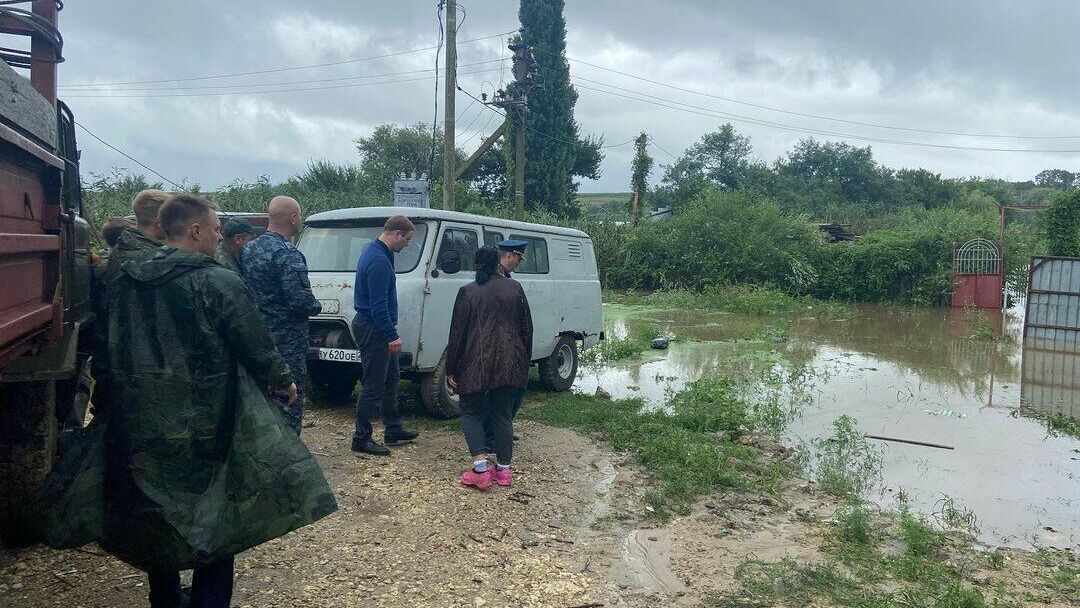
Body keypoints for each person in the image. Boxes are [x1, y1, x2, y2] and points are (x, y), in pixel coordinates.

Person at [99, 193, 337, 608]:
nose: (219, 236)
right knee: (220, 509)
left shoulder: (123, 277)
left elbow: (106, 342)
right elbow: (255, 344)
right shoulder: (216, 279)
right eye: (214, 229)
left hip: (145, 413)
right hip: (208, 416)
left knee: (158, 505)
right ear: (194, 231)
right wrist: (285, 383)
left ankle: (167, 598)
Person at [447, 246, 533, 490]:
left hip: (475, 363)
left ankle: (481, 471)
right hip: (509, 363)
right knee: (502, 414)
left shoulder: (468, 292)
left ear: (476, 265)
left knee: (471, 412)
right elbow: (527, 328)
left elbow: (457, 336)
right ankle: (504, 472)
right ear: (498, 263)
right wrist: (523, 361)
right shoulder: (514, 288)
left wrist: (451, 369)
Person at [242, 196, 322, 433]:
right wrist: (317, 306)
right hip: (286, 342)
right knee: (289, 400)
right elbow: (300, 301)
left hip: (255, 339)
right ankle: (288, 457)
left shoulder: (248, 250)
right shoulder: (287, 254)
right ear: (294, 218)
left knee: (261, 403)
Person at [351, 215, 420, 455]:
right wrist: (391, 335)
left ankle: (393, 428)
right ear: (397, 234)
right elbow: (378, 305)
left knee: (391, 378)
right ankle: (361, 437)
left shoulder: (377, 251)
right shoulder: (378, 260)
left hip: (377, 325)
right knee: (373, 384)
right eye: (408, 239)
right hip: (374, 327)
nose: (408, 244)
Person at [483, 239, 531, 451]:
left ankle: (501, 429)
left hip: (509, 345)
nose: (519, 263)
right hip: (495, 345)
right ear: (509, 255)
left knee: (516, 389)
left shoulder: (507, 278)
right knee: (496, 393)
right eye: (518, 258)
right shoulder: (492, 279)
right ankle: (491, 437)